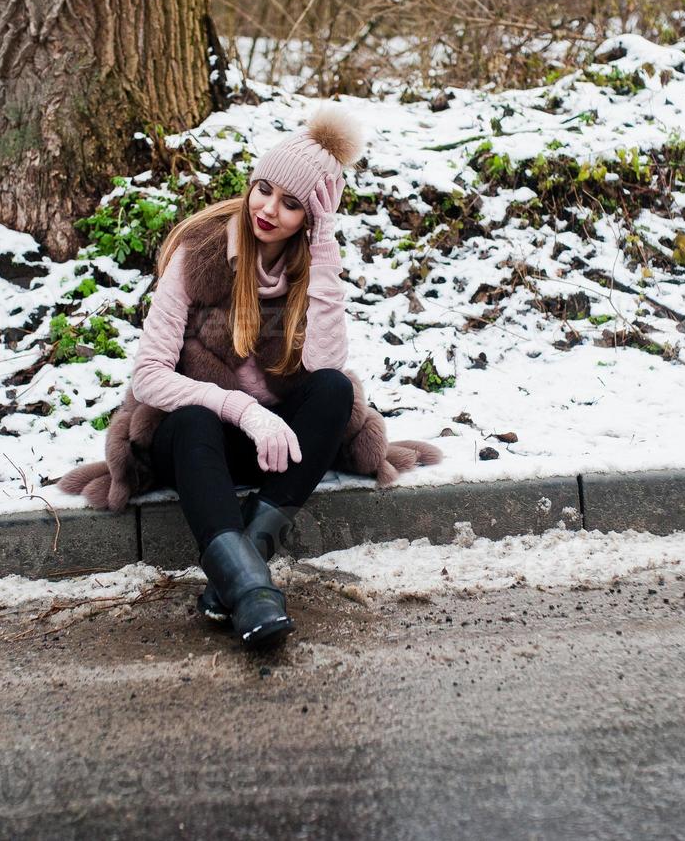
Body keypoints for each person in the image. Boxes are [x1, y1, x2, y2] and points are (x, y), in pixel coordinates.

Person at [59, 103, 442, 649]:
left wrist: (327, 246)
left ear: (308, 217)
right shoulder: (201, 253)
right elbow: (147, 375)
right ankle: (252, 590)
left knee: (335, 389)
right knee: (192, 418)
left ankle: (242, 572)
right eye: (263, 190)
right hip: (196, 442)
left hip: (274, 447)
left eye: (291, 205)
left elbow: (327, 366)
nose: (268, 210)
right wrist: (242, 409)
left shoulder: (313, 264)